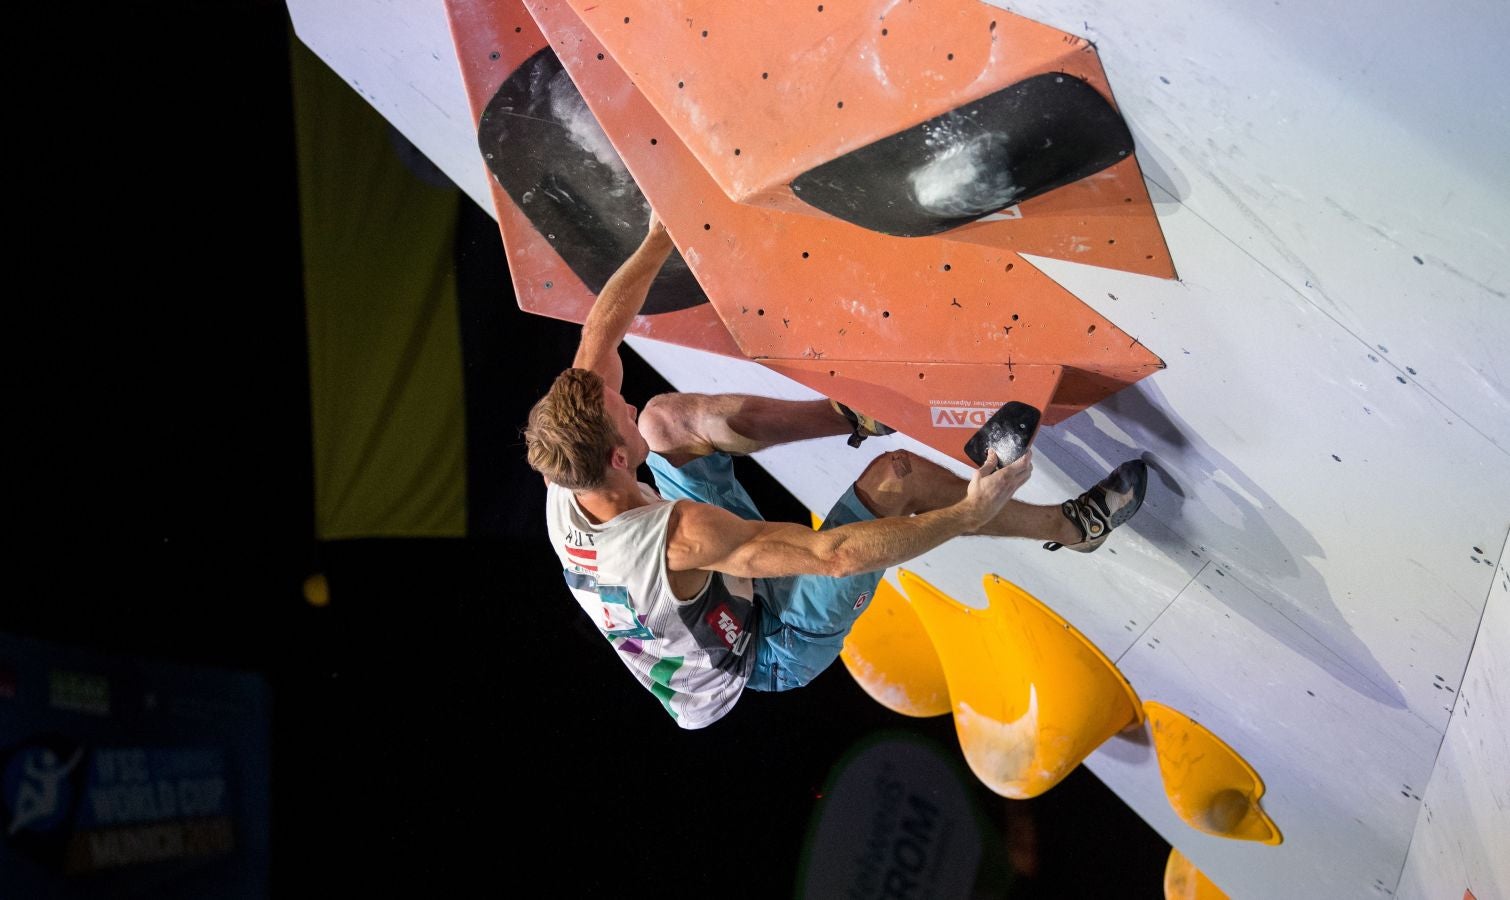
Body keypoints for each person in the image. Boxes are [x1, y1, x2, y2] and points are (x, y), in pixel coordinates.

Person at [525, 214, 1147, 728]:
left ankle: (849, 414)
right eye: (618, 412)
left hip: (704, 585)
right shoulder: (683, 537)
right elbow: (834, 556)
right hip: (768, 642)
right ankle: (1074, 527)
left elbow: (597, 343)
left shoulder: (568, 461)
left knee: (662, 420)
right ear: (613, 459)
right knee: (901, 479)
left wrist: (661, 233)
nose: (622, 399)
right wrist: (967, 512)